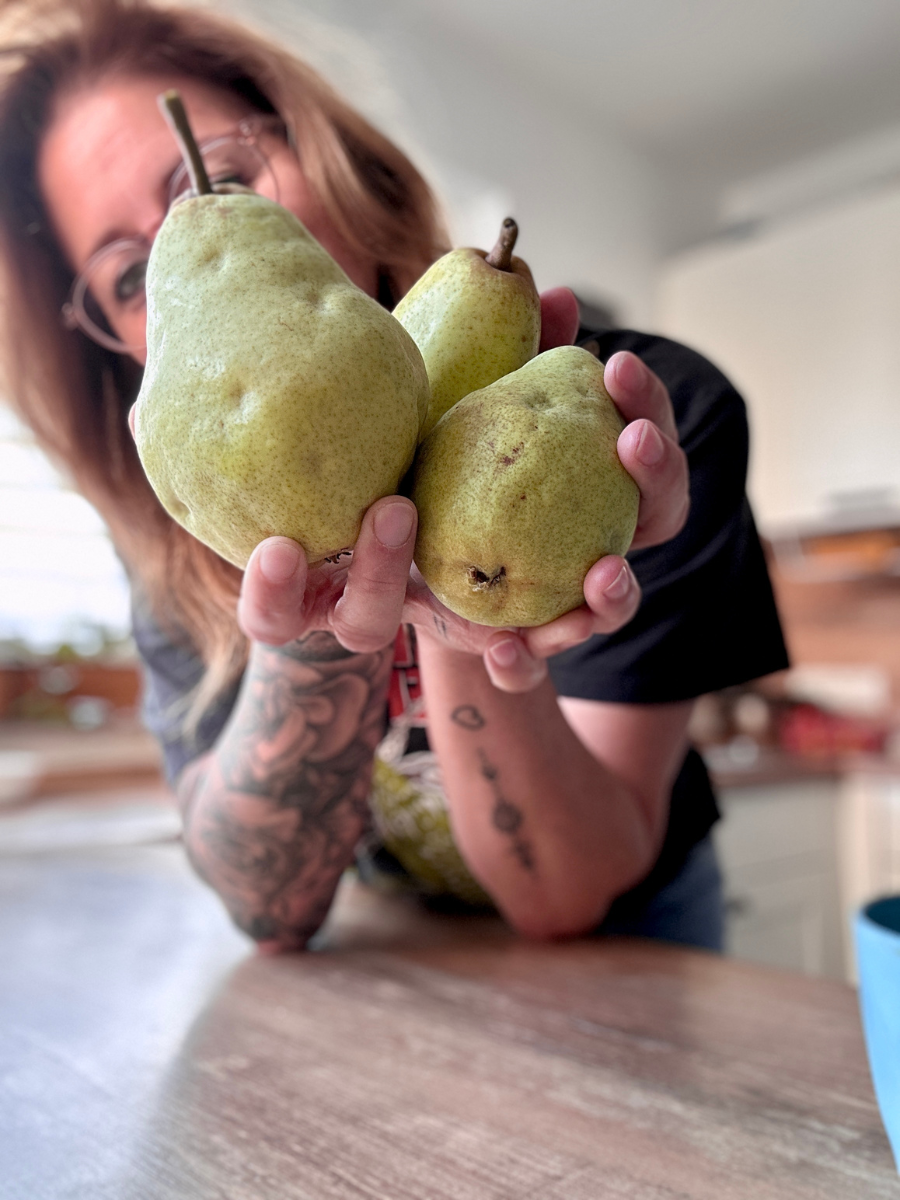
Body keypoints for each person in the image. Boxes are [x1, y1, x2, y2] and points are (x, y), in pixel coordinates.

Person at [0, 0, 788, 952]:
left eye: (224, 179)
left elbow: (566, 900)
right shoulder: (180, 511)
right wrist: (315, 611)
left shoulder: (627, 430)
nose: (207, 247)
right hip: (396, 957)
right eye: (130, 276)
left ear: (337, 159)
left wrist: (445, 592)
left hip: (637, 955)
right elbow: (270, 911)